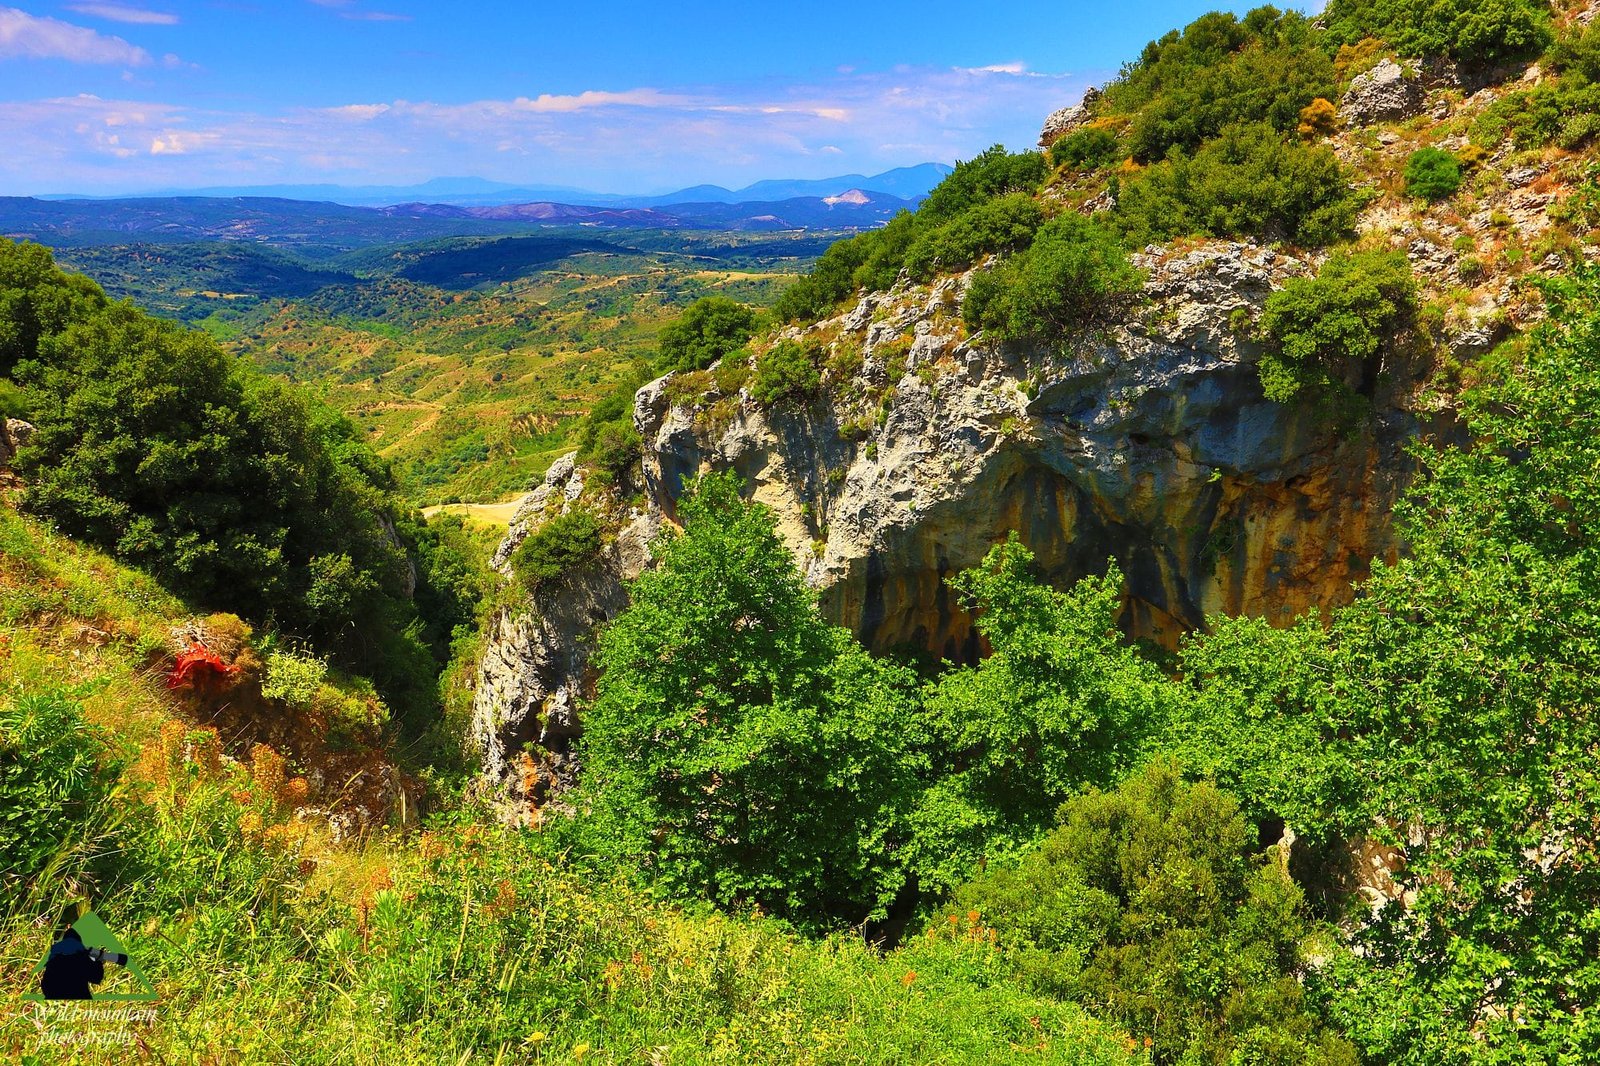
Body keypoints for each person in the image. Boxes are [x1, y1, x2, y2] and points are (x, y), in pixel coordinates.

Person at [39, 927, 104, 1000]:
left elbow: (45, 984)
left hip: (52, 996)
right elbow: (97, 978)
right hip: (78, 996)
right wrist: (97, 960)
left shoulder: (54, 958)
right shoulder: (82, 958)